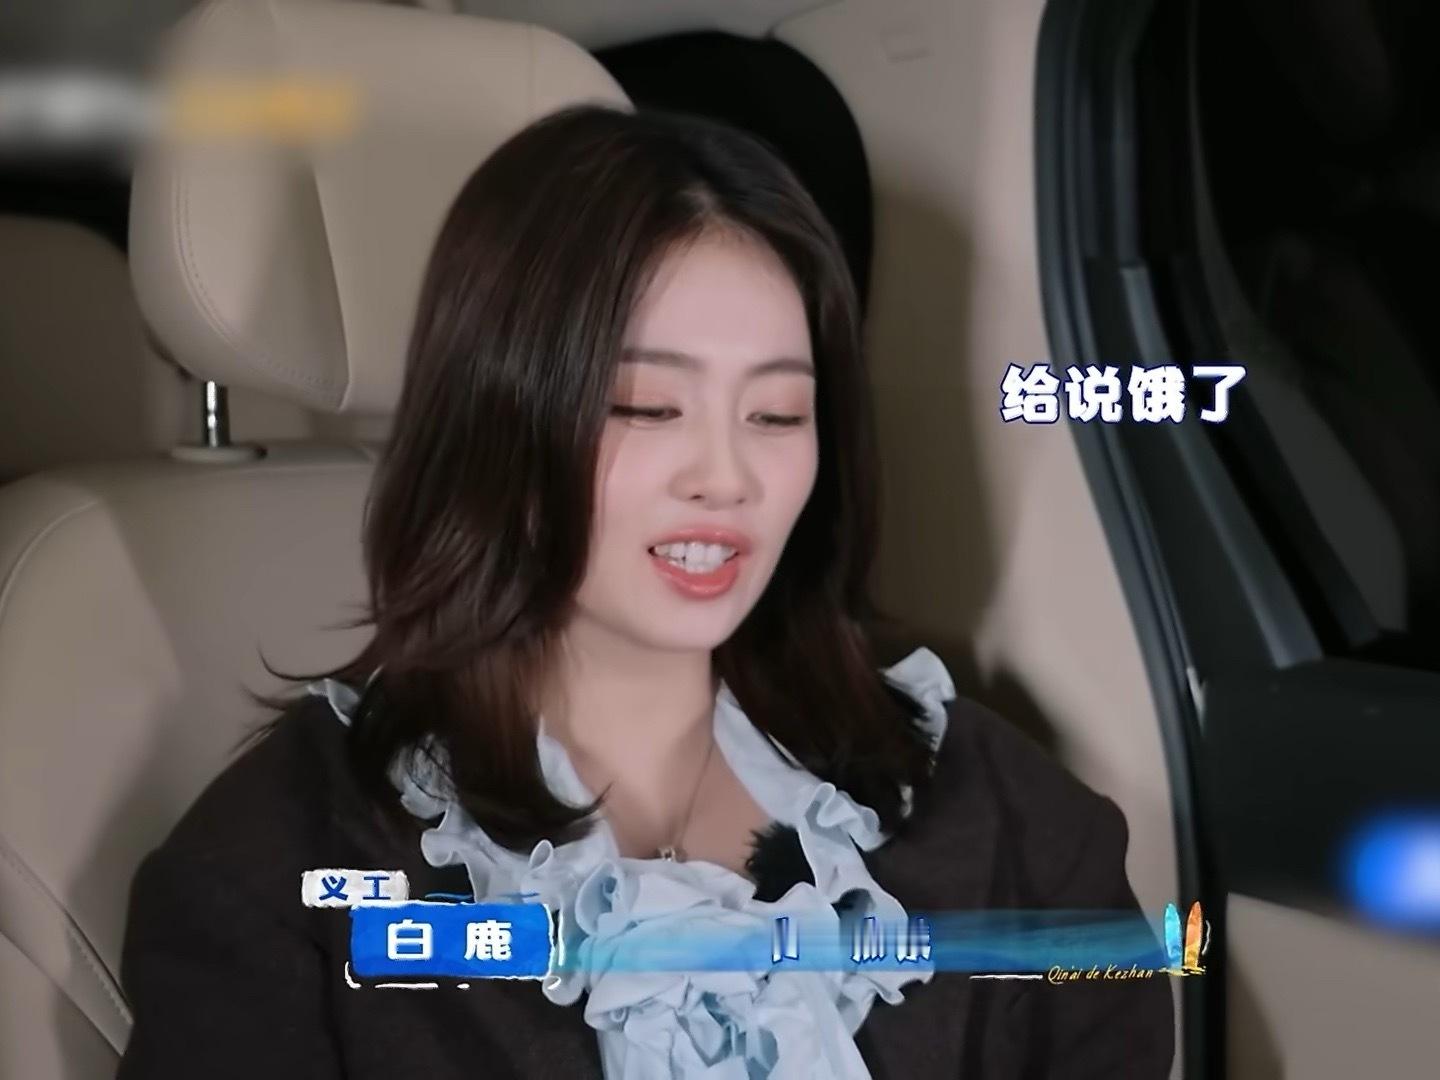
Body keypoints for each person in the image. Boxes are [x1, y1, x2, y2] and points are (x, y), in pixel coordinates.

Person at [115, 104, 1175, 1079]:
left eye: (777, 415)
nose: (727, 477)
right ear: (501, 420)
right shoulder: (275, 881)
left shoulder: (1019, 830)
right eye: (647, 406)